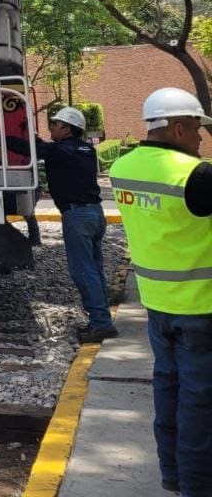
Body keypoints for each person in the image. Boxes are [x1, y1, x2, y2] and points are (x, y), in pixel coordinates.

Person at [111, 87, 212, 497]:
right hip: (201, 307)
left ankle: (171, 473)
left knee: (167, 390)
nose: (201, 138)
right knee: (200, 403)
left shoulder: (122, 168)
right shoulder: (196, 175)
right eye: (197, 129)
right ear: (178, 128)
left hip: (156, 304)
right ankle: (197, 486)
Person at [0, 107, 111, 335]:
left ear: (67, 129)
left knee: (83, 271)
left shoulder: (61, 151)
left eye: (55, 124)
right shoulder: (87, 149)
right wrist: (37, 140)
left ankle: (101, 324)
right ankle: (103, 317)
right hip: (95, 214)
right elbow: (49, 149)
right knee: (94, 268)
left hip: (77, 216)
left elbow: (28, 148)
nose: (51, 127)